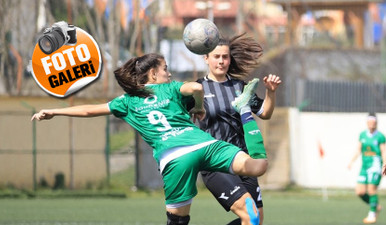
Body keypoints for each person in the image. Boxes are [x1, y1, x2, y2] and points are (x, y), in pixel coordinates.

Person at [31, 53, 269, 225]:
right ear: (153, 74)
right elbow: (196, 89)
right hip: (203, 144)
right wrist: (198, 107)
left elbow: (89, 110)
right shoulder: (170, 88)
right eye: (165, 68)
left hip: (175, 159)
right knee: (258, 168)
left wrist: (55, 111)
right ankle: (245, 110)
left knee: (178, 221)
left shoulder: (126, 101)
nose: (169, 72)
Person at [192, 33, 281, 225]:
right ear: (206, 58)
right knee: (251, 216)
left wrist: (271, 92)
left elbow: (265, 112)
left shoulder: (240, 87)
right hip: (215, 163)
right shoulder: (197, 89)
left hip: (244, 161)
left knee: (256, 220)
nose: (221, 61)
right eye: (217, 57)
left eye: (225, 57)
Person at [348, 112, 386, 224]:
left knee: (371, 190)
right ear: (367, 123)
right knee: (360, 192)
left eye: (373, 122)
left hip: (376, 166)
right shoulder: (362, 135)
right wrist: (351, 161)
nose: (371, 124)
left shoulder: (380, 136)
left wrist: (385, 165)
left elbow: (384, 152)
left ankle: (372, 214)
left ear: (376, 123)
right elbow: (358, 150)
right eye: (370, 122)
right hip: (364, 167)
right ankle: (376, 206)